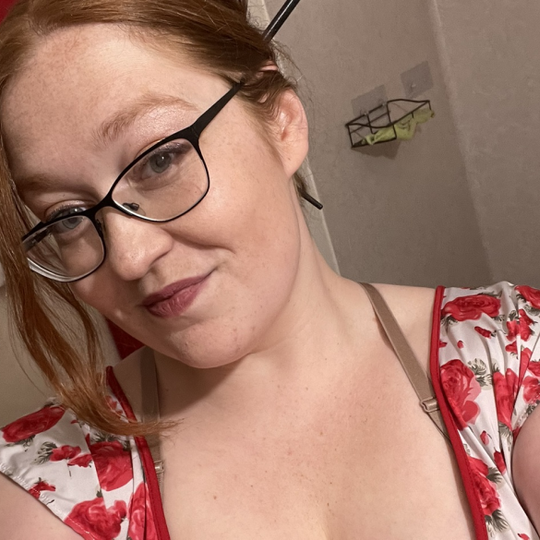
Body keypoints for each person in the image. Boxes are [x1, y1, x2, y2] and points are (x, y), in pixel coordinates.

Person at [0, 0, 540, 539]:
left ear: (282, 122)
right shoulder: (50, 488)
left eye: (159, 160)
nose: (129, 256)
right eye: (66, 218)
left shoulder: (511, 358)